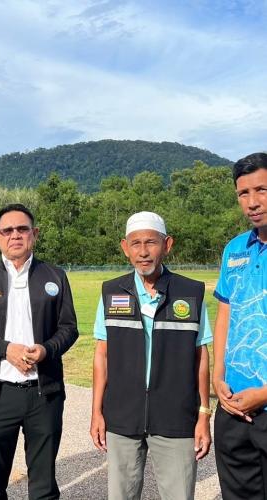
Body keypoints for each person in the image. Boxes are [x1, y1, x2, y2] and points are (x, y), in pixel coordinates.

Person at [0, 203, 78, 500]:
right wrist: (5, 349)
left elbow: (69, 328)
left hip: (44, 393)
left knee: (44, 486)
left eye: (22, 229)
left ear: (34, 234)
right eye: (7, 230)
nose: (15, 235)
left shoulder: (55, 276)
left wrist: (47, 350)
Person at [90, 211, 212, 500]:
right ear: (125, 247)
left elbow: (201, 358)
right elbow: (101, 356)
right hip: (122, 416)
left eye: (151, 242)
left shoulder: (190, 292)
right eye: (135, 243)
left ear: (167, 245)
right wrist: (96, 412)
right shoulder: (111, 292)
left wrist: (204, 415)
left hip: (176, 417)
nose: (143, 252)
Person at [213, 152, 267, 500]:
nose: (252, 202)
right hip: (232, 408)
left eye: (261, 190)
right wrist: (217, 377)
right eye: (243, 193)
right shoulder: (235, 249)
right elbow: (225, 316)